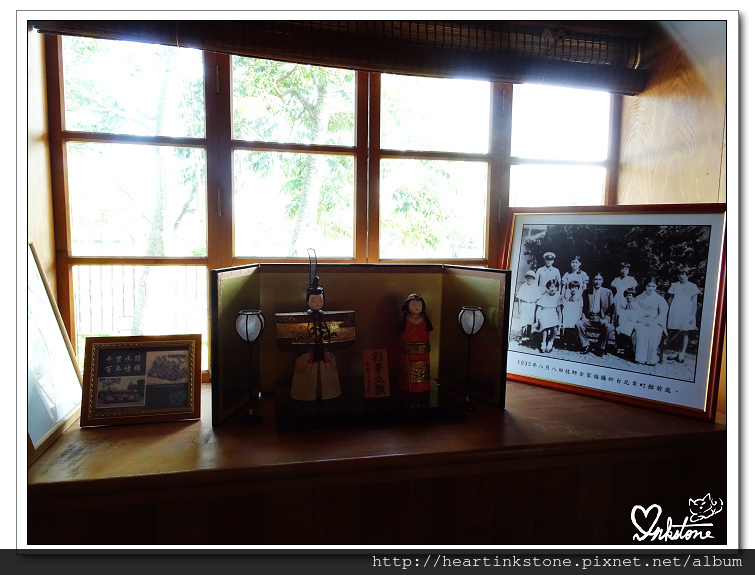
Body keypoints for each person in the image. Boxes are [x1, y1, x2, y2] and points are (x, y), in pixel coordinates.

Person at [289, 275, 341, 401]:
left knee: (326, 373)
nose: (317, 303)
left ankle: (328, 395)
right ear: (307, 301)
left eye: (320, 300)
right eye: (313, 301)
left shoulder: (326, 317)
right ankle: (305, 396)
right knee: (307, 374)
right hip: (308, 352)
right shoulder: (304, 318)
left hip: (325, 350)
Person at [666, 265, 701, 363]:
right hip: (675, 310)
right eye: (679, 274)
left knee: (684, 331)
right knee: (676, 330)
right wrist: (668, 312)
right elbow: (670, 300)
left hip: (686, 311)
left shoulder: (692, 286)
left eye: (683, 274)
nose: (681, 276)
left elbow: (694, 303)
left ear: (687, 275)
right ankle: (676, 352)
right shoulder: (674, 285)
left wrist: (692, 316)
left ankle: (682, 353)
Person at [398, 293, 433, 392]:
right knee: (406, 375)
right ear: (407, 306)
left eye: (419, 305)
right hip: (407, 352)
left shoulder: (424, 319)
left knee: (423, 373)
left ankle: (422, 387)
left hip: (422, 352)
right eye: (413, 305)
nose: (416, 307)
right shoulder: (405, 319)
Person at [632, 278, 669, 366]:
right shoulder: (639, 298)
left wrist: (654, 322)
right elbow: (635, 312)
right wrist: (642, 321)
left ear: (656, 286)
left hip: (655, 321)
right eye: (648, 286)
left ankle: (651, 359)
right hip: (641, 321)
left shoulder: (660, 299)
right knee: (641, 330)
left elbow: (663, 314)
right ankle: (640, 358)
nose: (650, 288)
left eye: (653, 286)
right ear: (645, 286)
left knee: (654, 332)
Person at [581, 272, 615, 357]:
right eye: (596, 279)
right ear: (592, 280)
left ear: (602, 281)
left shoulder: (608, 292)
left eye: (599, 279)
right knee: (578, 324)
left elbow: (611, 309)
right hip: (589, 318)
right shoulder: (586, 292)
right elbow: (582, 307)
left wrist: (606, 319)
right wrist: (584, 317)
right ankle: (586, 345)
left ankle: (601, 348)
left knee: (608, 327)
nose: (597, 282)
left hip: (601, 318)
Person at [560, 280, 590, 353]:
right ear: (569, 288)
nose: (573, 289)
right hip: (568, 315)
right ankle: (567, 342)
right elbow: (565, 308)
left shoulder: (579, 298)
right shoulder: (567, 297)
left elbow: (580, 309)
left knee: (574, 325)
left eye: (576, 288)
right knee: (567, 326)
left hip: (575, 315)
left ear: (578, 289)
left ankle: (575, 342)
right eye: (572, 287)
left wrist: (579, 317)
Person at [534, 279, 562, 353]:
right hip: (544, 313)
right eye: (551, 286)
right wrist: (537, 320)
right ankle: (543, 342)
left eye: (555, 287)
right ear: (548, 287)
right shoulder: (543, 297)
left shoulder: (558, 297)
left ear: (557, 288)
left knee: (555, 327)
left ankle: (550, 342)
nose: (553, 289)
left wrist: (560, 322)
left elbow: (559, 311)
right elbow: (538, 310)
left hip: (553, 313)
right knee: (544, 325)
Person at [514, 269, 540, 343]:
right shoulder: (523, 286)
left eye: (531, 278)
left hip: (532, 305)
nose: (529, 280)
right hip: (524, 304)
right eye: (528, 278)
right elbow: (519, 298)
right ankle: (522, 335)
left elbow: (538, 298)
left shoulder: (536, 287)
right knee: (523, 320)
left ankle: (528, 335)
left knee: (530, 321)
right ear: (526, 278)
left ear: (534, 279)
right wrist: (519, 308)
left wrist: (536, 309)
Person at [614, 287, 640, 359]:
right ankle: (622, 347)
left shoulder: (634, 304)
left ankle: (628, 349)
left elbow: (635, 315)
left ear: (633, 296)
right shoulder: (626, 304)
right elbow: (622, 315)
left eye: (630, 295)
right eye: (626, 295)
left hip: (632, 321)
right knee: (620, 329)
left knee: (627, 331)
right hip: (625, 321)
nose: (628, 297)